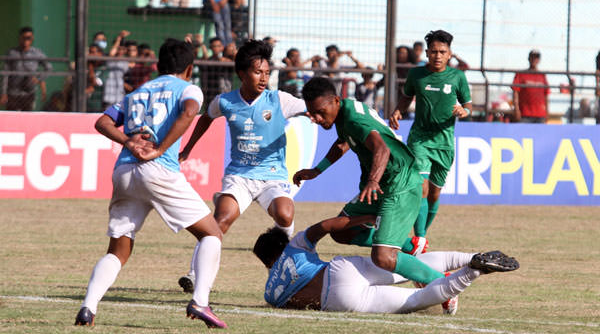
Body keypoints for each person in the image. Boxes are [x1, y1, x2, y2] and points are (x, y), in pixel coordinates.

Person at [74, 39, 227, 329]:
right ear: (190, 69)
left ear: (158, 66)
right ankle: (200, 302)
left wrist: (128, 141)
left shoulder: (138, 92)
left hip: (125, 172)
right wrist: (159, 149)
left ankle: (87, 308)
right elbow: (190, 111)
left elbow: (102, 122)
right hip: (158, 170)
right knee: (212, 234)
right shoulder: (188, 88)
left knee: (117, 251)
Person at [292, 77, 450, 300]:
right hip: (381, 183)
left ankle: (442, 282)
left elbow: (382, 149)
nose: (316, 119)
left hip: (398, 181)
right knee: (341, 230)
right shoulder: (344, 113)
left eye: (319, 112)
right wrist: (317, 170)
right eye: (311, 113)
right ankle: (410, 245)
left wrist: (373, 181)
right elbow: (343, 142)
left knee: (383, 257)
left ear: (335, 100)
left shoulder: (354, 119)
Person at [177, 40, 306, 293]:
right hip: (240, 177)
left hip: (272, 176)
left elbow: (312, 107)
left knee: (285, 214)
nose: (263, 78)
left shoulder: (279, 99)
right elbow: (205, 119)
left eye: (267, 73)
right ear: (241, 74)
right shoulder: (225, 101)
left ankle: (283, 262)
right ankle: (194, 275)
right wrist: (188, 148)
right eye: (258, 72)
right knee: (219, 221)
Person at [254, 215, 519, 314]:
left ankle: (474, 271)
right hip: (339, 270)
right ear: (280, 244)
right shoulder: (293, 245)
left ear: (267, 261)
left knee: (416, 299)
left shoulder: (269, 293)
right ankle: (472, 256)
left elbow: (295, 304)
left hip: (338, 301)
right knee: (406, 265)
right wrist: (368, 217)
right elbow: (324, 226)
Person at [389, 30, 472, 255]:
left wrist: (463, 111)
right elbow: (407, 96)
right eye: (433, 51)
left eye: (442, 52)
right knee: (421, 188)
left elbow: (468, 105)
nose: (437, 55)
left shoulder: (458, 77)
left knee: (434, 194)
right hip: (419, 140)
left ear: (450, 54)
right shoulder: (417, 75)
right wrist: (398, 110)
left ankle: (420, 240)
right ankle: (420, 238)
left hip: (444, 144)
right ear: (427, 53)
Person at [1, 27, 52, 111]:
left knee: (27, 120)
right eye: (23, 37)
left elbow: (49, 68)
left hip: (29, 94)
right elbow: (5, 74)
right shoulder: (12, 53)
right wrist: (3, 93)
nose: (26, 40)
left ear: (32, 38)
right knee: (12, 119)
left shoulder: (37, 53)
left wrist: (38, 79)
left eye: (28, 38)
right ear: (20, 38)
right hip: (13, 93)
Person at [512, 50, 550, 124]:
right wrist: (516, 109)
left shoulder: (542, 75)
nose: (534, 60)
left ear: (539, 60)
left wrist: (547, 112)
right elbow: (515, 92)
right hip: (525, 114)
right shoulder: (521, 74)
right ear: (529, 59)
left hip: (540, 115)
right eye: (532, 57)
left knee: (539, 134)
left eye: (536, 58)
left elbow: (546, 94)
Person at [102, 31, 131, 109]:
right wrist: (119, 38)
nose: (120, 51)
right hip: (109, 92)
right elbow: (112, 53)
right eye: (119, 49)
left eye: (123, 49)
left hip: (119, 93)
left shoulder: (126, 61)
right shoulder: (110, 60)